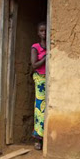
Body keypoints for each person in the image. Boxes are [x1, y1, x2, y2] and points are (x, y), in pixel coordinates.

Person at [30, 22, 47, 150]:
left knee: (48, 108)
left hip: (50, 80)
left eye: (46, 31)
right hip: (40, 79)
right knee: (40, 108)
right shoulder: (35, 47)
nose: (44, 33)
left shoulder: (51, 46)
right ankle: (38, 138)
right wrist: (45, 59)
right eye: (41, 31)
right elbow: (34, 65)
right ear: (38, 33)